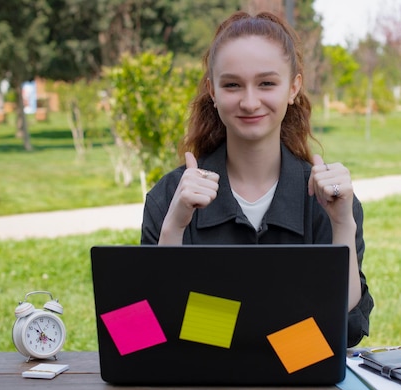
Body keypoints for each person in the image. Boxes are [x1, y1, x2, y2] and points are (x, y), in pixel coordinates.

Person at [141, 11, 373, 347]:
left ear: (293, 87)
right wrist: (173, 228)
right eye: (232, 84)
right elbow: (146, 333)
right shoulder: (168, 197)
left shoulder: (329, 201)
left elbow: (347, 329)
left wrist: (343, 225)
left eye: (267, 83)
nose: (250, 102)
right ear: (213, 91)